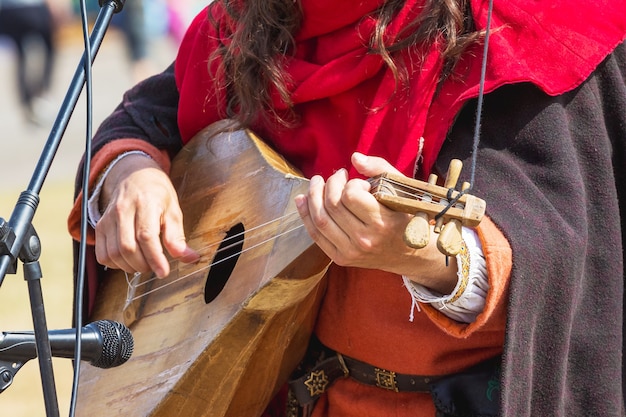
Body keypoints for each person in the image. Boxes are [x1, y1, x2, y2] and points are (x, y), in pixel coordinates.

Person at [67, 0, 626, 416]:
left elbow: (561, 245)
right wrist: (130, 172)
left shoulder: (539, 30)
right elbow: (146, 116)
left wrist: (429, 255)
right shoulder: (247, 20)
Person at [0, 0, 58, 126]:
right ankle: (42, 93)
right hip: (32, 7)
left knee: (20, 55)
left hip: (7, 10)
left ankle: (27, 103)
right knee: (50, 46)